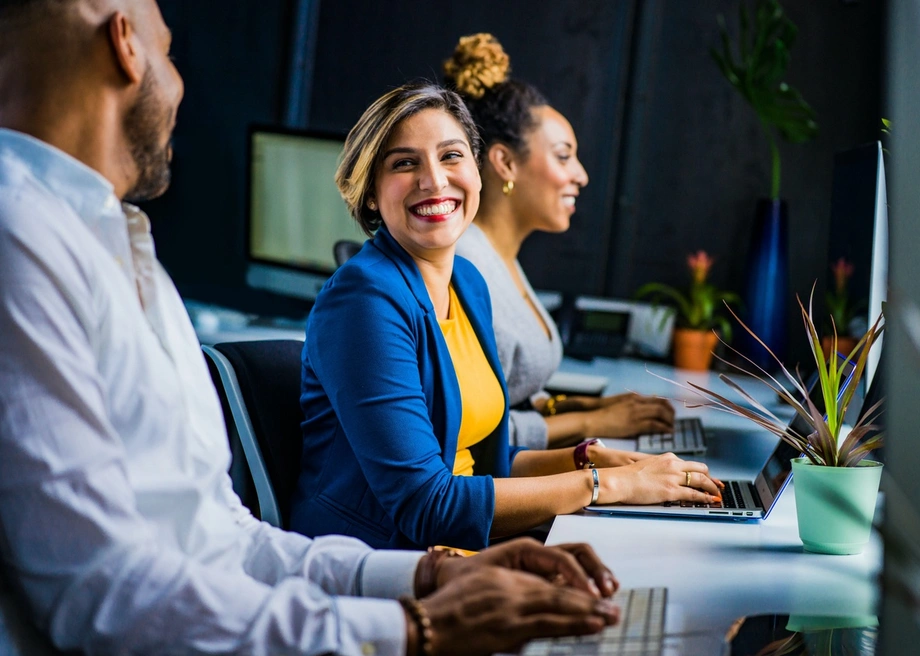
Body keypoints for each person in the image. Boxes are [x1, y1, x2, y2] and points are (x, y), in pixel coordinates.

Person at [0, 1, 624, 654]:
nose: (180, 84)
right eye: (170, 51)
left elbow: (221, 539)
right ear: (126, 46)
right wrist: (419, 626)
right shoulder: (22, 240)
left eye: (450, 156)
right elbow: (102, 597)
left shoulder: (117, 242)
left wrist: (432, 577)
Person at [292, 81, 723, 552]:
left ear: (478, 172)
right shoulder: (363, 301)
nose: (434, 180)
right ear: (371, 193)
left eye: (451, 156)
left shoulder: (469, 283)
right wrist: (608, 485)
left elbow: (482, 465)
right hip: (380, 565)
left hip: (461, 550)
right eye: (404, 163)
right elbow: (426, 505)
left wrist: (588, 460)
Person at [447, 33, 677, 450]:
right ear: (505, 162)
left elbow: (509, 396)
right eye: (563, 155)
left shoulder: (501, 258)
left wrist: (585, 408)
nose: (581, 175)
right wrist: (594, 423)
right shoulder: (466, 267)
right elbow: (473, 436)